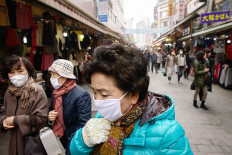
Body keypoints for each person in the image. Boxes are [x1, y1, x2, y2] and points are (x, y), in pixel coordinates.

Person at [70, 44, 193, 155]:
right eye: (95, 92)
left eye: (105, 95)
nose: (98, 101)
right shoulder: (101, 118)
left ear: (133, 94)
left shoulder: (168, 134)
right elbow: (74, 151)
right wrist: (82, 140)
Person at [0, 55, 49, 155]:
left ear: (28, 71)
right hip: (14, 143)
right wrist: (3, 121)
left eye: (20, 71)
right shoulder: (9, 92)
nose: (16, 75)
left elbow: (42, 119)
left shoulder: (37, 91)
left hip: (32, 144)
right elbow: (3, 111)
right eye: (12, 72)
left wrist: (16, 120)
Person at [48, 59, 91, 155]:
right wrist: (50, 118)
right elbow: (51, 110)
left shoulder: (81, 95)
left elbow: (83, 124)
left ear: (64, 76)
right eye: (51, 75)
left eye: (54, 74)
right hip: (63, 137)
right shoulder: (55, 93)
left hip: (75, 140)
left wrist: (72, 144)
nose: (51, 78)